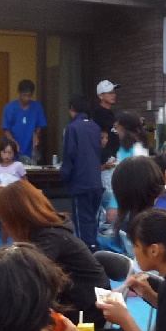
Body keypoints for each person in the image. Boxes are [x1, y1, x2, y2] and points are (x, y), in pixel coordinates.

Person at [0, 179, 110, 326]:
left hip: (86, 312)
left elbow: (26, 276)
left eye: (3, 219)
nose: (3, 224)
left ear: (16, 216)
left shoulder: (49, 238)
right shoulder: (50, 232)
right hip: (79, 302)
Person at [61, 93, 103, 249]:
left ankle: (89, 255)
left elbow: (69, 154)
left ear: (72, 108)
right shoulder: (95, 127)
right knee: (91, 222)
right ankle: (94, 251)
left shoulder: (72, 128)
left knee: (82, 224)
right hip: (96, 181)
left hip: (80, 183)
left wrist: (65, 175)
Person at [1, 79, 46, 164]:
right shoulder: (9, 108)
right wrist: (14, 143)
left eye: (29, 96)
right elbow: (6, 130)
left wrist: (36, 135)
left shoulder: (37, 107)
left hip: (29, 148)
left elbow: (39, 126)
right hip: (12, 149)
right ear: (19, 93)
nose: (26, 98)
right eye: (24, 95)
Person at [91, 79, 120, 162]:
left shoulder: (111, 113)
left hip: (114, 157)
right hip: (104, 160)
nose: (113, 95)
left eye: (114, 92)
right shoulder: (98, 113)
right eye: (110, 93)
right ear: (100, 96)